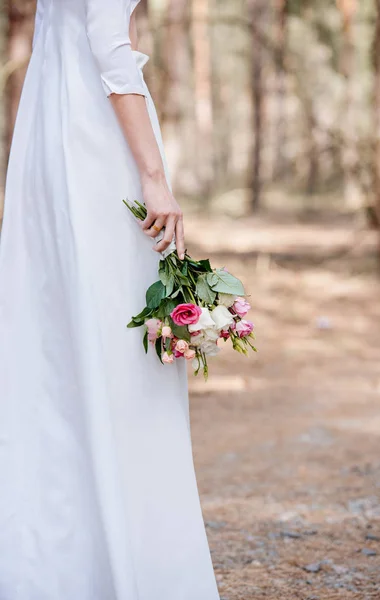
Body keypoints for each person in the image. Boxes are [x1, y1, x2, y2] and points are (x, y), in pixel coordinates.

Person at [0, 1, 220, 598]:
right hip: (93, 152)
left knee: (57, 350)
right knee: (122, 350)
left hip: (49, 141)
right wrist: (153, 175)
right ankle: (135, 563)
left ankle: (64, 562)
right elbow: (109, 47)